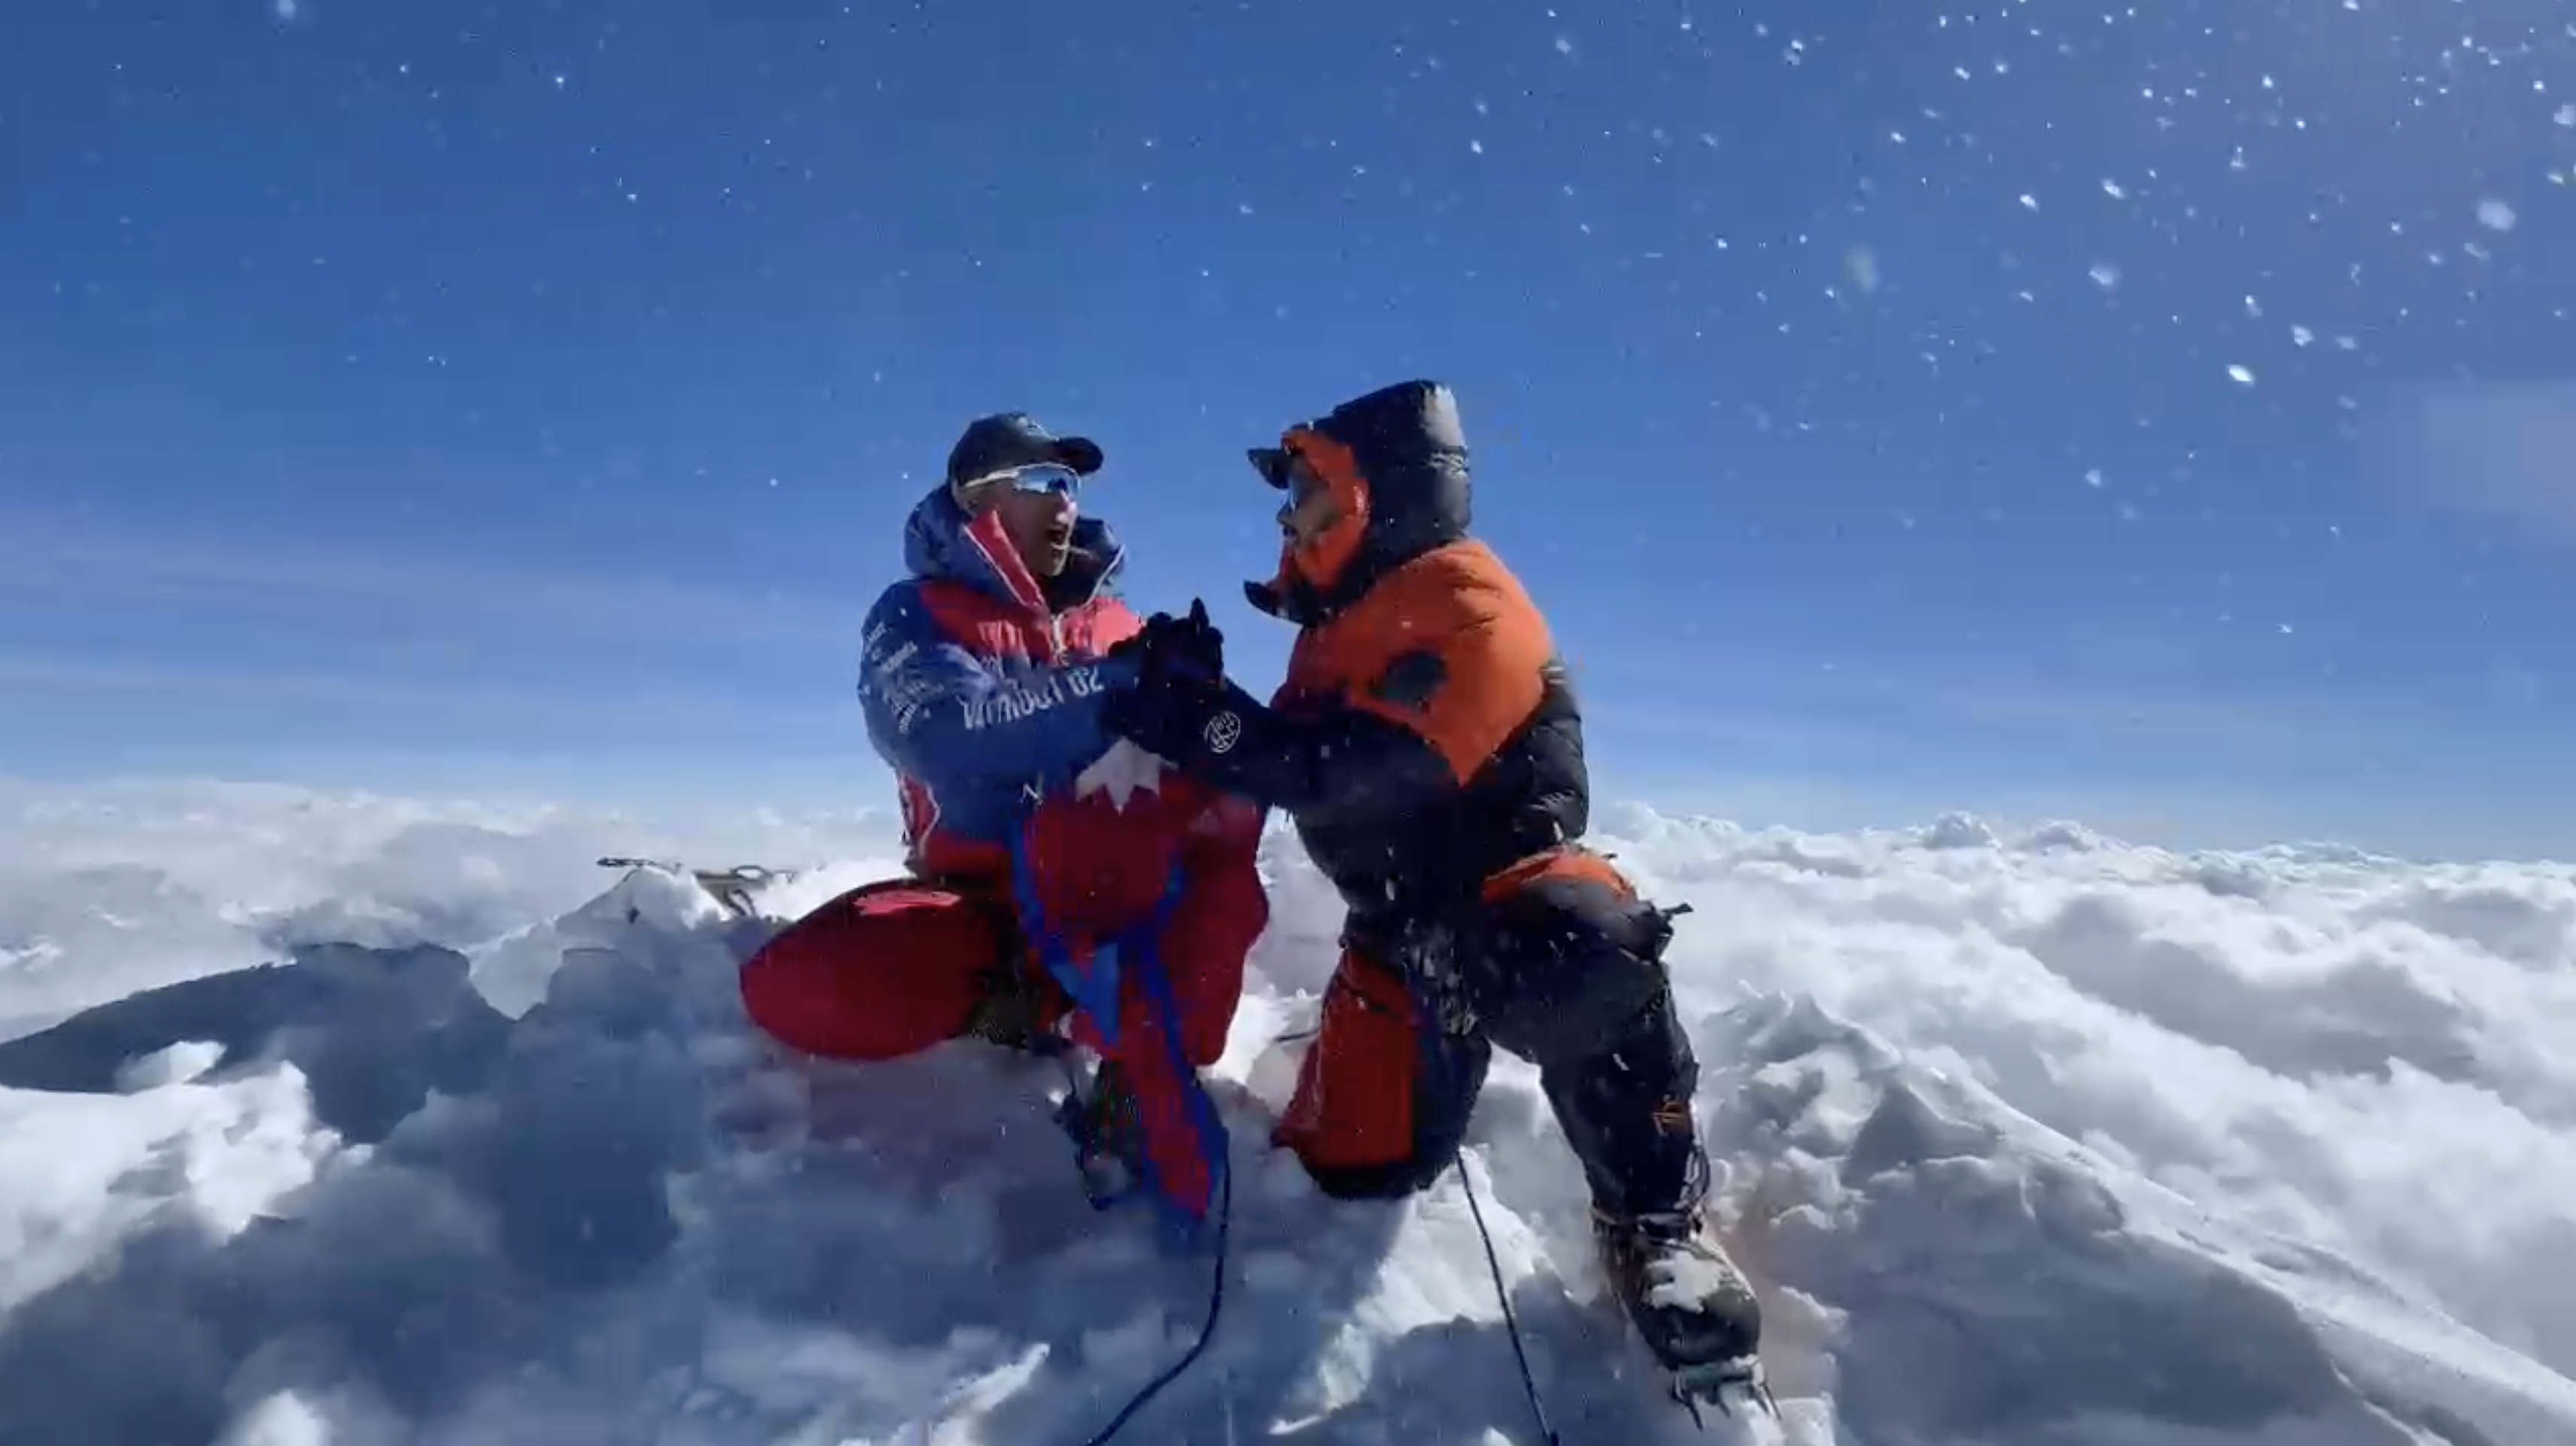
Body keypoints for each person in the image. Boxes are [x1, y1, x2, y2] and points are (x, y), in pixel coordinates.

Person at [1102, 380, 1764, 1394]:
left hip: (1503, 915)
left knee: (1577, 942)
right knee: (1353, 1170)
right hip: (1395, 942)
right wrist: (1201, 701)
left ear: (1385, 493)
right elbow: (1282, 757)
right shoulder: (1338, 626)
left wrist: (1202, 718)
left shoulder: (1468, 605)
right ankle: (1373, 1053)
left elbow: (1333, 767)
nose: (1288, 518)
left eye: (1311, 494)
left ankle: (1655, 1216)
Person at [736, 410, 1267, 1235]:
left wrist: (1213, 713)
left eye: (1071, 486)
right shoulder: (916, 612)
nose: (1065, 504)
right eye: (1042, 482)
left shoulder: (1119, 625)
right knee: (804, 982)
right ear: (975, 493)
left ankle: (1133, 1051)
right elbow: (940, 729)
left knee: (1221, 899)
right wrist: (1118, 691)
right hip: (982, 903)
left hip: (1117, 894)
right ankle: (1023, 1004)